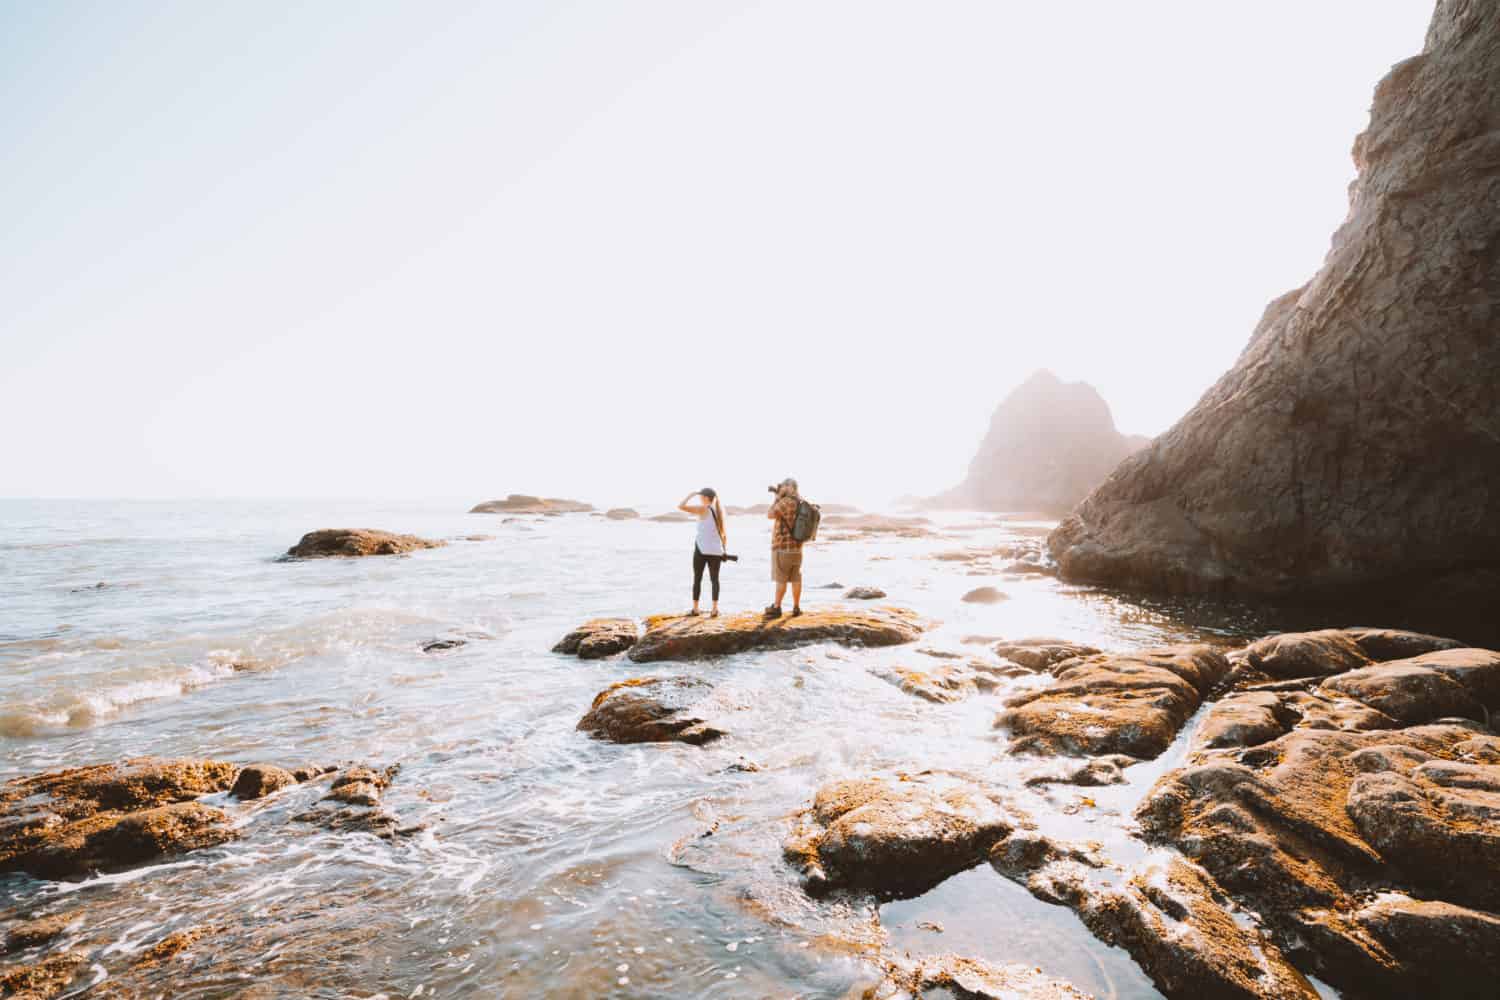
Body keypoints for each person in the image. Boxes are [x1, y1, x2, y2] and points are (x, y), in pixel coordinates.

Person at [677, 488, 727, 617]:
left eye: (700, 496)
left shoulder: (703, 509)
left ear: (705, 497)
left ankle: (695, 609)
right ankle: (715, 609)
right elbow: (723, 534)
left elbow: (681, 506)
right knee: (715, 580)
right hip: (716, 551)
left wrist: (690, 494)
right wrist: (723, 551)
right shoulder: (719, 511)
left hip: (701, 549)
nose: (699, 498)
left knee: (697, 578)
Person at [765, 477, 804, 619]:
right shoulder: (801, 502)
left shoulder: (785, 502)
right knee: (796, 578)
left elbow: (769, 514)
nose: (782, 488)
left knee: (781, 579)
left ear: (790, 487)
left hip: (782, 548)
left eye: (784, 486)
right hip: (798, 549)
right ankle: (796, 607)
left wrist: (777, 498)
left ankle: (776, 607)